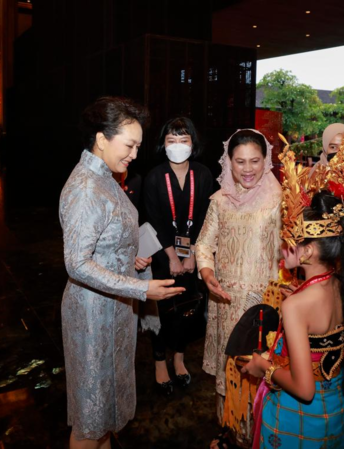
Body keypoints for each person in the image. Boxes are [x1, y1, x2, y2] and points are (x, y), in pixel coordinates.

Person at [59, 97, 185, 449]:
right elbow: (77, 263)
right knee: (91, 418)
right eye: (129, 145)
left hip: (114, 307)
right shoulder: (87, 187)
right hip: (92, 313)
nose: (133, 153)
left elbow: (105, 243)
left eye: (138, 146)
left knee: (106, 413)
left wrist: (131, 259)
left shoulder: (106, 179)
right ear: (101, 139)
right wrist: (141, 289)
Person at [243, 133, 344, 449]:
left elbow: (303, 388)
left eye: (287, 241)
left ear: (305, 252)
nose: (281, 248)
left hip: (299, 418)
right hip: (336, 408)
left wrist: (263, 366)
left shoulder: (297, 305)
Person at [195, 129, 282, 448]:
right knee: (229, 369)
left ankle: (255, 435)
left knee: (257, 368)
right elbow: (203, 243)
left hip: (263, 306)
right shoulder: (219, 201)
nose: (247, 169)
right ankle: (230, 429)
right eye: (240, 161)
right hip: (225, 300)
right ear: (228, 162)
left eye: (255, 161)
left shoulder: (279, 201)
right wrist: (206, 272)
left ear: (266, 161)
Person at [143, 117, 213, 395]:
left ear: (193, 144)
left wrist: (193, 254)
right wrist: (172, 257)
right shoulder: (154, 177)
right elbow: (154, 220)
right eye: (171, 140)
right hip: (162, 254)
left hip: (194, 253)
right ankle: (159, 360)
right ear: (163, 144)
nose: (177, 145)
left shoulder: (204, 174)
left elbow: (207, 218)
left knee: (189, 306)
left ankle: (179, 357)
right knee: (161, 309)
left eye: (183, 140)